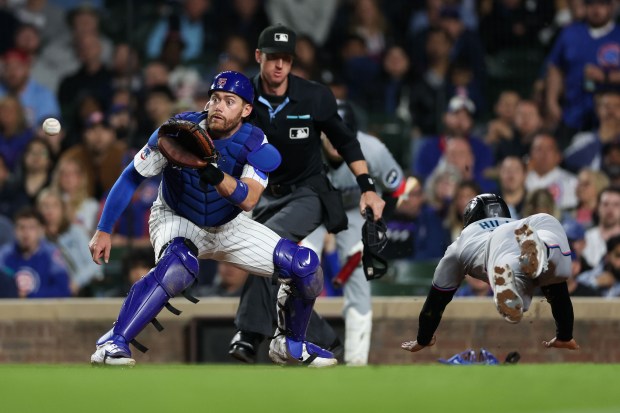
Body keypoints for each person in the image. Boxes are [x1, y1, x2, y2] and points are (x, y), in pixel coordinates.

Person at [88, 70, 337, 367]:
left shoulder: (255, 143)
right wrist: (104, 229)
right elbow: (131, 177)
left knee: (305, 266)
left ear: (246, 110)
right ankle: (113, 342)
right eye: (215, 98)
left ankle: (289, 343)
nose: (219, 105)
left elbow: (249, 199)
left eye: (229, 101)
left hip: (230, 225)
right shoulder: (177, 132)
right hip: (178, 217)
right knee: (179, 266)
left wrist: (213, 173)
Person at [229, 24, 385, 364]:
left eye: (285, 59)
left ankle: (249, 333)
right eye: (272, 58)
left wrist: (368, 189)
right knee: (276, 264)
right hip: (263, 195)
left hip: (308, 193)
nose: (279, 66)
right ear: (259, 57)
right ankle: (324, 341)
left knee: (266, 245)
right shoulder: (242, 97)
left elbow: (345, 141)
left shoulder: (314, 96)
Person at [401, 194, 580, 354]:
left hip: (496, 248)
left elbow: (436, 301)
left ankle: (514, 284)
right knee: (557, 270)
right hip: (533, 224)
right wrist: (565, 335)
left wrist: (423, 338)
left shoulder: (461, 241)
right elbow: (559, 296)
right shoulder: (513, 223)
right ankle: (544, 250)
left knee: (513, 277)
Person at [300, 101, 404, 365]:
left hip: (353, 210)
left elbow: (397, 188)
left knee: (359, 278)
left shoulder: (372, 150)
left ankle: (357, 362)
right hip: (311, 208)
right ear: (320, 131)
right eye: (331, 132)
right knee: (298, 268)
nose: (337, 140)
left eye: (343, 134)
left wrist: (379, 226)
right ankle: (297, 349)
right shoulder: (302, 146)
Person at [0, 207, 71, 298]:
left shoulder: (51, 253)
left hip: (44, 310)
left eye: (31, 228)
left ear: (41, 230)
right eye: (21, 227)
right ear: (15, 231)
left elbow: (63, 289)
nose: (26, 233)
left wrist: (30, 295)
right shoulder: (5, 254)